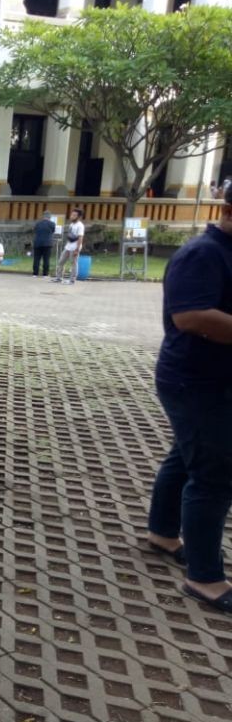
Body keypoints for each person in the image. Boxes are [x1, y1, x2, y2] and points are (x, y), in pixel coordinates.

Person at [145, 189, 232, 615]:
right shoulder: (203, 254)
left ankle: (163, 534)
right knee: (214, 472)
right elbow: (192, 317)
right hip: (193, 380)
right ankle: (205, 577)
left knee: (186, 455)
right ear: (228, 211)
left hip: (214, 379)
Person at [52, 208, 85, 284]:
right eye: (72, 214)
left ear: (78, 217)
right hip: (68, 246)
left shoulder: (80, 226)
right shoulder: (71, 224)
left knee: (73, 263)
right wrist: (67, 244)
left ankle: (72, 280)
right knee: (61, 261)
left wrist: (77, 250)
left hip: (75, 247)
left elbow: (80, 238)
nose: (72, 216)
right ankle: (59, 278)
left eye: (74, 215)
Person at [32, 211, 56, 277]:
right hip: (47, 243)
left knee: (36, 259)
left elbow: (34, 230)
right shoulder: (52, 224)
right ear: (50, 217)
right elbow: (53, 231)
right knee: (46, 259)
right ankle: (45, 274)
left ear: (43, 216)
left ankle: (35, 273)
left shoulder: (38, 223)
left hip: (37, 243)